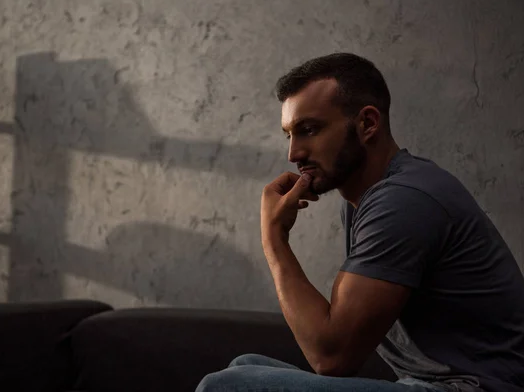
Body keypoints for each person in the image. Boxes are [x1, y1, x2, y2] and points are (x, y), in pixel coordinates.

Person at [195, 53, 524, 392]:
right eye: (289, 135)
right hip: (429, 383)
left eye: (309, 130)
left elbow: (332, 357)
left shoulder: (404, 200)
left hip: (475, 388)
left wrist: (273, 238)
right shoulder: (366, 201)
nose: (294, 154)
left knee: (228, 386)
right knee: (246, 366)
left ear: (368, 123)